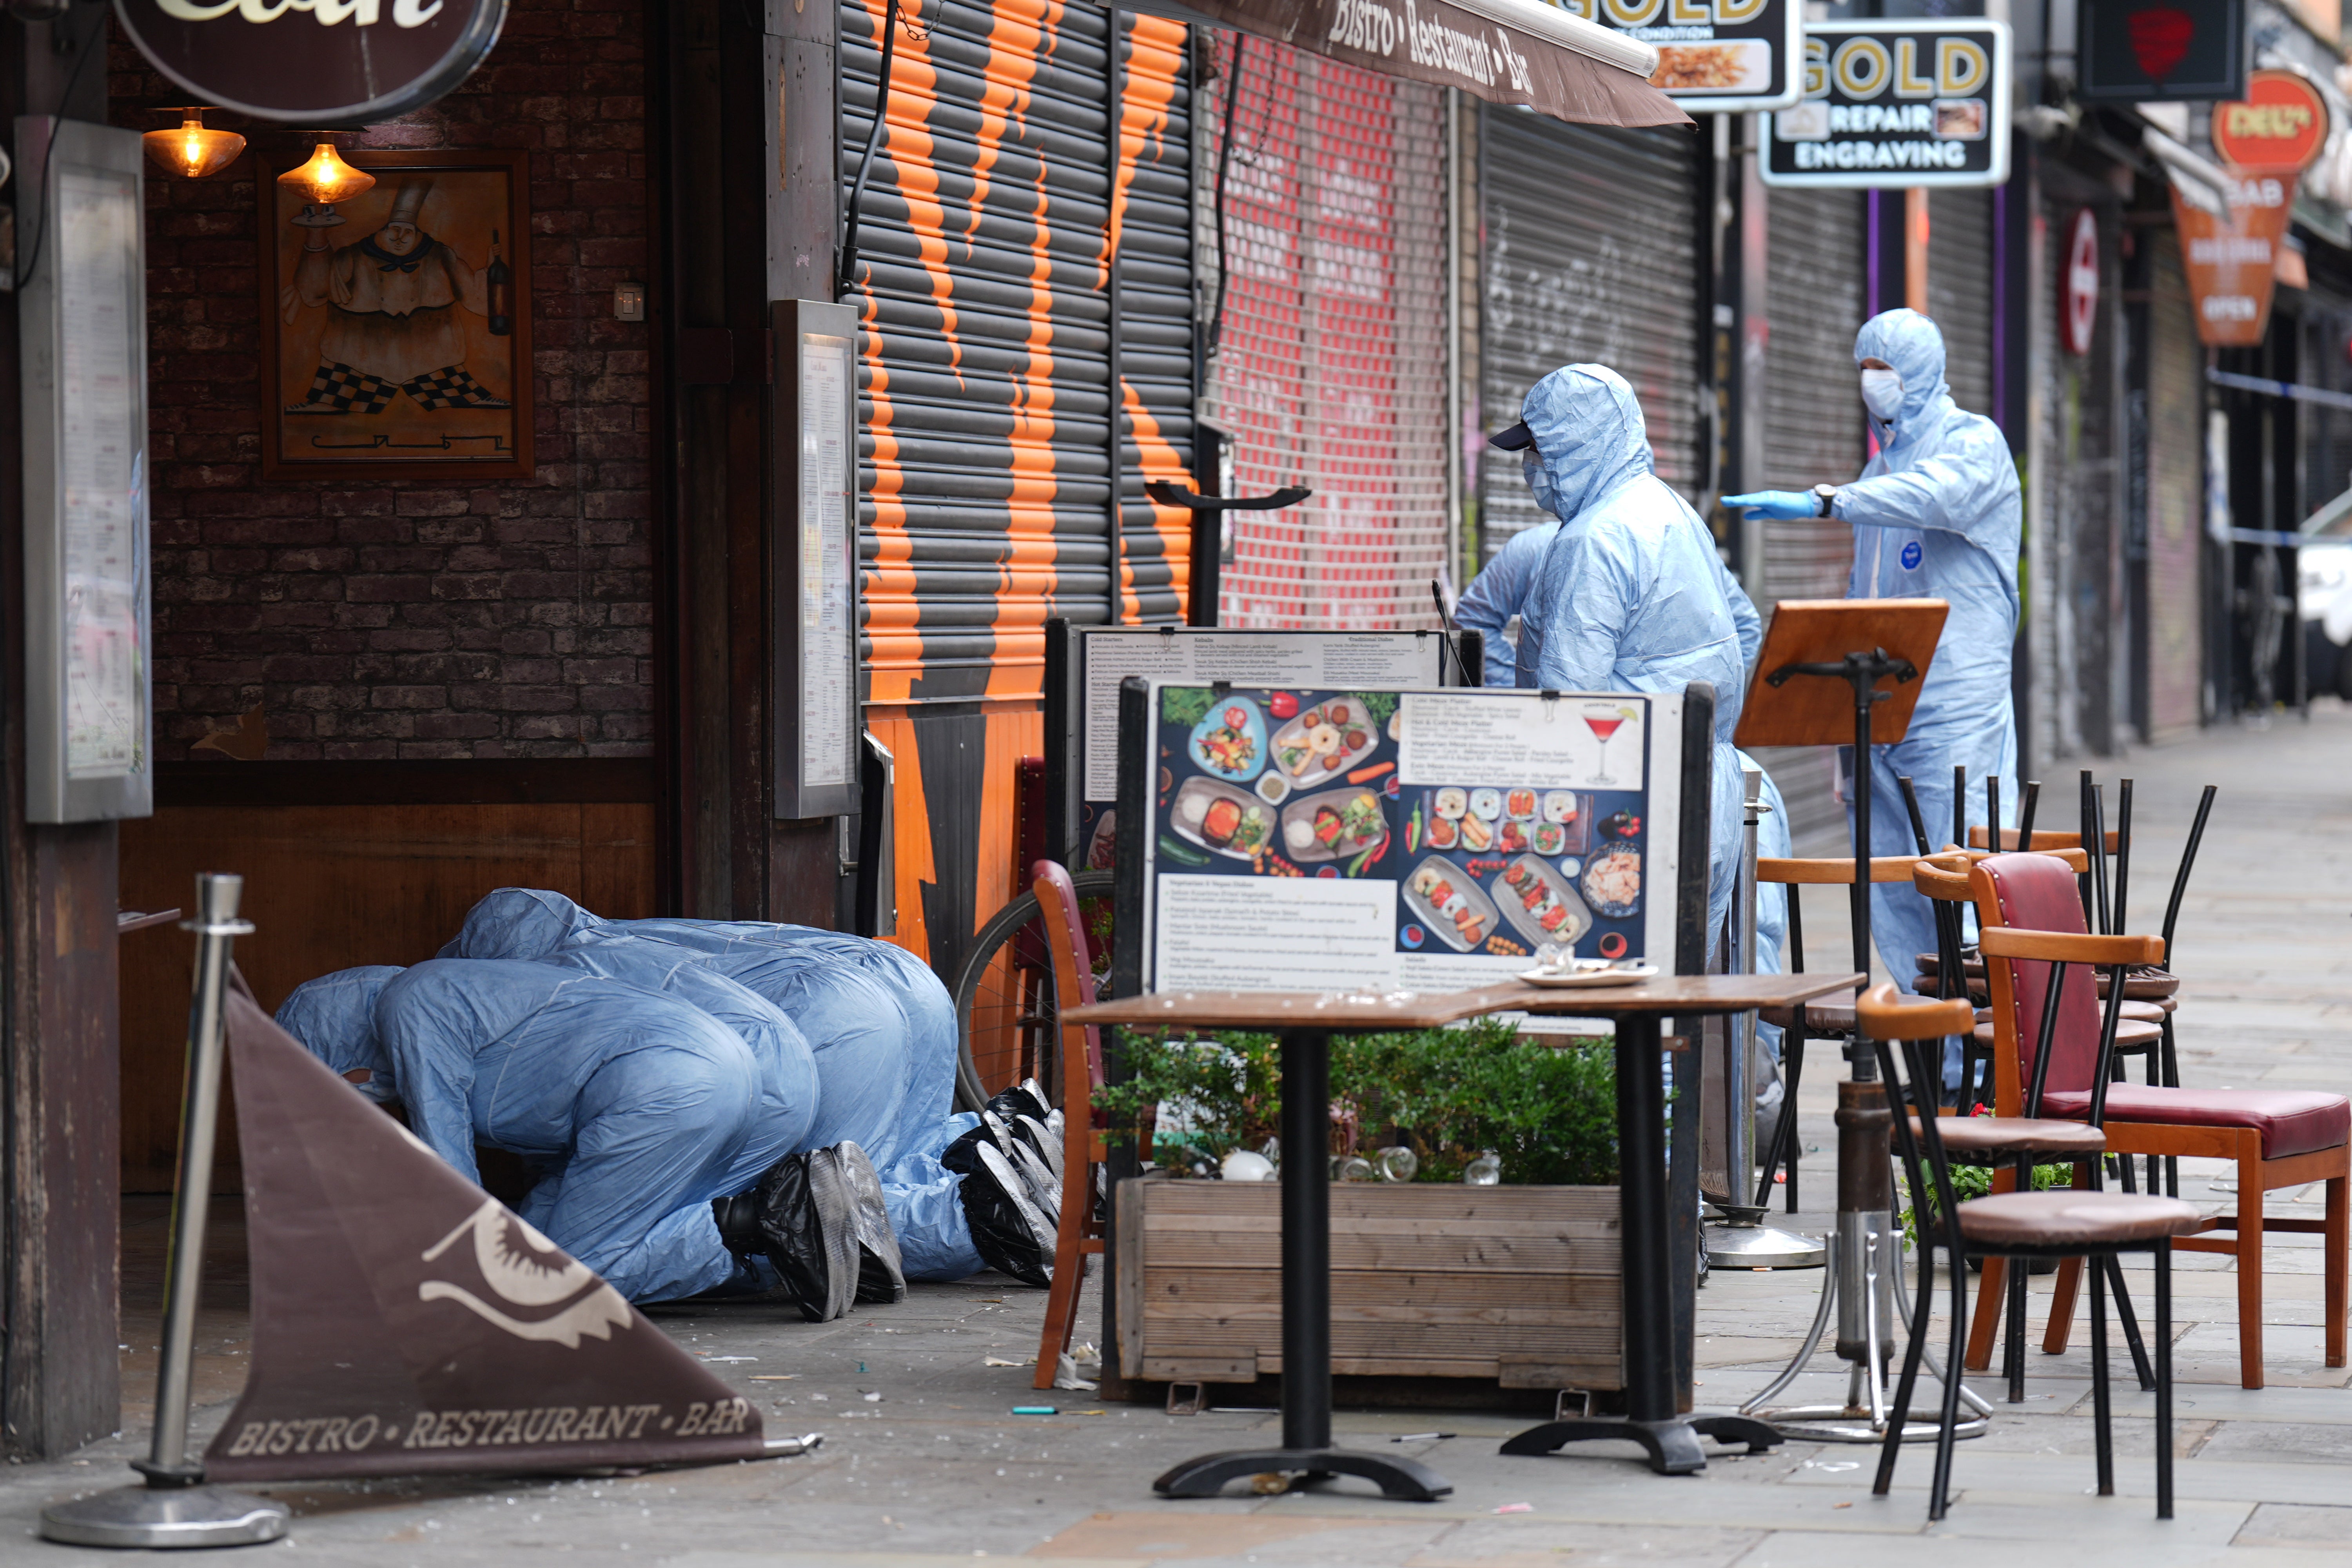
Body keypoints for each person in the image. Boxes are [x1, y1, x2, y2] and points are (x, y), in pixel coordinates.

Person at [1724, 309, 2020, 1038]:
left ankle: (1989, 1059)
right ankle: (1931, 1057)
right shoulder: (1875, 472)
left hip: (1954, 709)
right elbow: (1863, 605)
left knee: (1967, 879)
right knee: (1893, 891)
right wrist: (1839, 734)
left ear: (1924, 370)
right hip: (1880, 715)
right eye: (1864, 367)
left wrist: (1824, 501)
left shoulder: (1973, 444)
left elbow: (1936, 496)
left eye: (1884, 368)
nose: (1872, 382)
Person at [275, 961, 843, 1308]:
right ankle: (768, 1219)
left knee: (551, 1284)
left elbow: (448, 1172)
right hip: (711, 1075)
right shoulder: (452, 988)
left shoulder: (415, 1004)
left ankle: (765, 1221)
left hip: (662, 1088)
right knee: (535, 1241)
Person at [1497, 363, 1760, 950]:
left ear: (1574, 443)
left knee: (1612, 1010)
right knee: (1674, 1004)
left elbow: (1569, 704)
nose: (1531, 469)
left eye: (1539, 449)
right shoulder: (1671, 511)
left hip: (1627, 804)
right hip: (1701, 787)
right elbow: (1741, 628)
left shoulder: (1595, 538)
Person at [1454, 521, 1558, 686]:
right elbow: (1474, 621)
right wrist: (1514, 689)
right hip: (1537, 707)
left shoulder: (1537, 545)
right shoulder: (1535, 546)